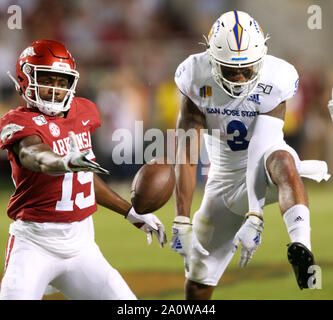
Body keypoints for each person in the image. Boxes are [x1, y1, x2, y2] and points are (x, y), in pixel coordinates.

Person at [170, 10, 330, 299]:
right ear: (212, 59)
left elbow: (261, 144)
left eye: (248, 68)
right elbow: (186, 154)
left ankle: (301, 245)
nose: (241, 77)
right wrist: (181, 218)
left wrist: (255, 215)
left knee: (281, 158)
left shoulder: (276, 76)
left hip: (265, 166)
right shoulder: (195, 75)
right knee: (197, 285)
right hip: (222, 181)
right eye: (231, 69)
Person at [0, 40, 167, 300]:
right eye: (46, 80)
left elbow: (85, 177)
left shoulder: (83, 111)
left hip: (82, 249)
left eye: (61, 81)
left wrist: (130, 212)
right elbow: (34, 155)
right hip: (34, 245)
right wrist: (64, 162)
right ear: (26, 78)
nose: (54, 89)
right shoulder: (18, 120)